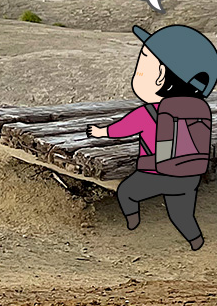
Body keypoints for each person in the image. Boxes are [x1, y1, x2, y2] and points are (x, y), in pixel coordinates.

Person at [89, 24, 217, 250]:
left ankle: (132, 221)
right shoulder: (200, 108)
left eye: (142, 64)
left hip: (154, 174)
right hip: (189, 175)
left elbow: (119, 130)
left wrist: (100, 132)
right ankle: (195, 240)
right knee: (181, 214)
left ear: (160, 76)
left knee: (126, 193)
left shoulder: (147, 112)